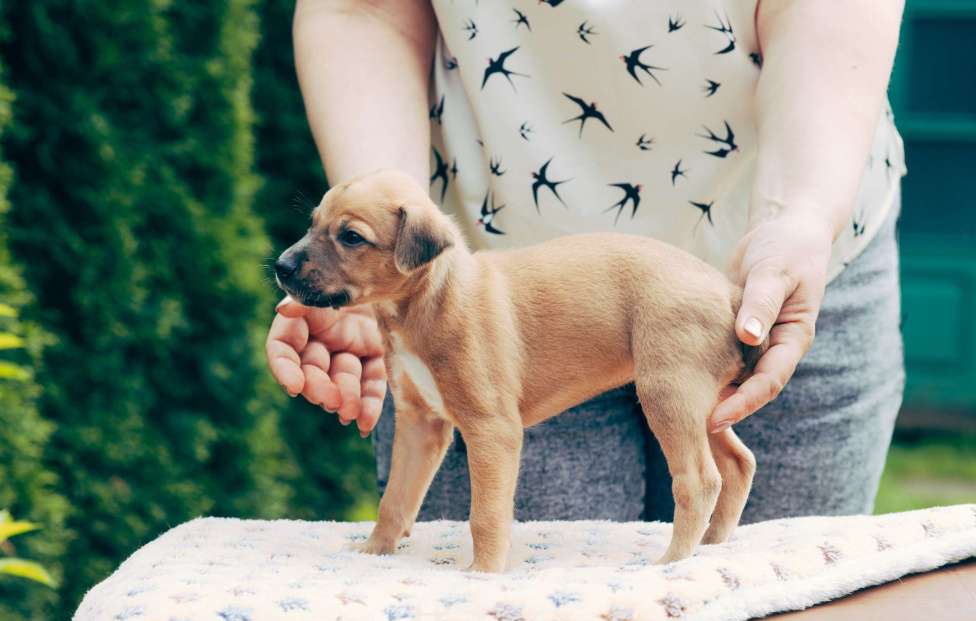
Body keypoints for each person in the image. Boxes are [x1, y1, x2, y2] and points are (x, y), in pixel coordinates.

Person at [266, 0, 907, 524]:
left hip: (779, 260)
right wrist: (369, 263)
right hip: (490, 298)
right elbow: (363, 8)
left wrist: (799, 213)